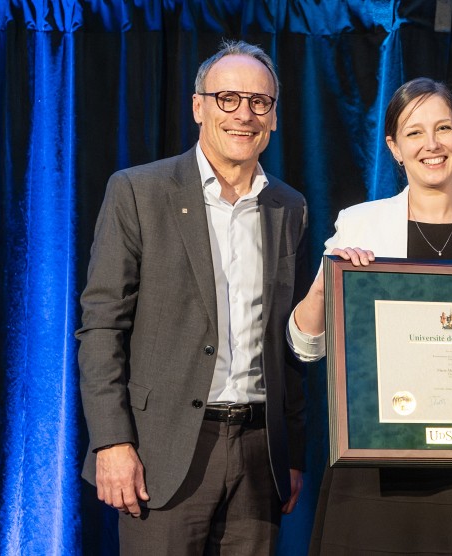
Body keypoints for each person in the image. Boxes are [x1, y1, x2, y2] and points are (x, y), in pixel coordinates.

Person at [77, 40, 308, 554]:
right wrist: (112, 441)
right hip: (161, 452)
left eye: (259, 102)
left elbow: (286, 342)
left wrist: (292, 451)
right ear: (198, 106)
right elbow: (101, 327)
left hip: (258, 454)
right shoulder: (138, 191)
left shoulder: (288, 207)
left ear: (273, 118)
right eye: (227, 99)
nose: (243, 114)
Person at [287, 77, 452, 555]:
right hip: (381, 461)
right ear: (394, 147)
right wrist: (327, 277)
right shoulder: (360, 223)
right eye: (414, 132)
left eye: (443, 128)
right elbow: (306, 345)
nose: (432, 144)